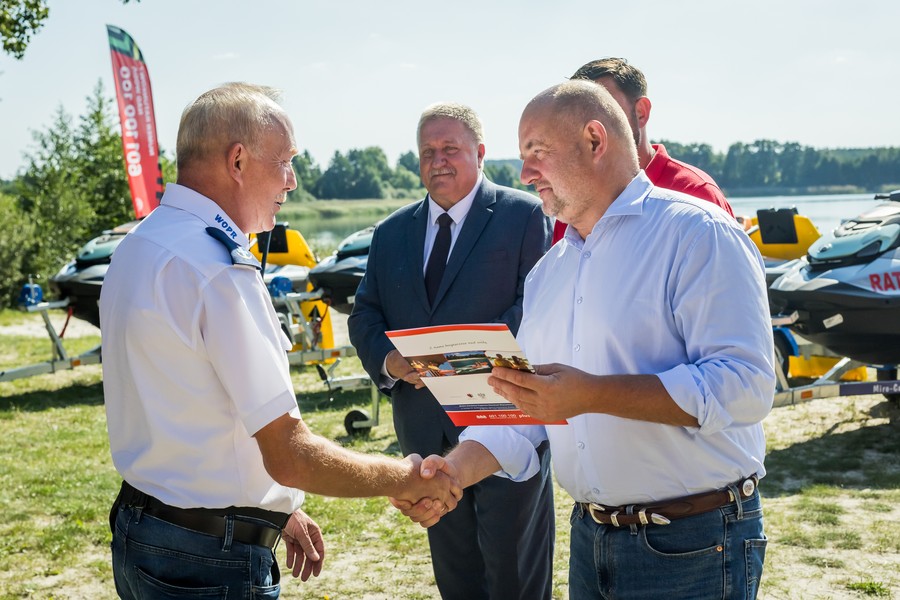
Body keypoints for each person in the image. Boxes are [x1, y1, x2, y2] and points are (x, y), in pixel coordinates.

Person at [398, 81, 776, 599]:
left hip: (696, 544)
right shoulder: (548, 274)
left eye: (537, 152)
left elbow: (747, 386)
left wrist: (591, 394)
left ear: (595, 140)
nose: (525, 174)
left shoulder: (697, 234)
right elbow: (523, 409)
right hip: (591, 540)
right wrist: (452, 474)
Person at [100, 82, 461, 600]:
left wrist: (275, 507)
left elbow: (193, 406)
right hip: (208, 559)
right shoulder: (218, 270)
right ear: (239, 160)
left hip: (145, 532)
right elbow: (289, 453)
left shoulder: (142, 242)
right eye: (286, 161)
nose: (291, 182)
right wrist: (404, 476)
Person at [348, 102, 555, 599]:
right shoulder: (391, 231)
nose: (438, 160)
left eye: (450, 149)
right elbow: (364, 315)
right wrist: (390, 361)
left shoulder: (524, 214)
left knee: (515, 576)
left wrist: (451, 362)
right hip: (424, 432)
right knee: (456, 577)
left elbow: (537, 305)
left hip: (504, 421)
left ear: (480, 153)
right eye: (427, 151)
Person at [551, 57, 733, 243]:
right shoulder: (571, 204)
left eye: (604, 110)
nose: (591, 127)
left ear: (641, 112)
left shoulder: (696, 194)